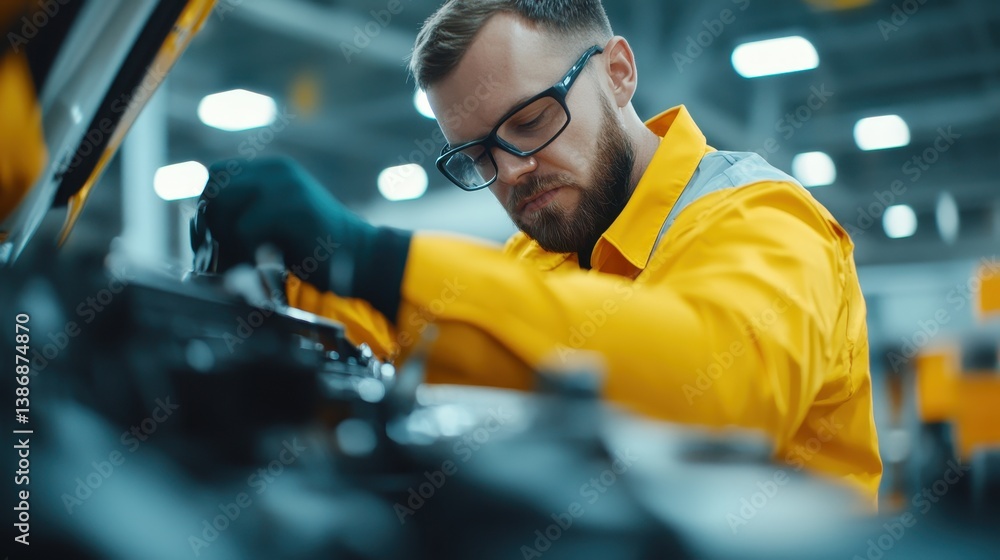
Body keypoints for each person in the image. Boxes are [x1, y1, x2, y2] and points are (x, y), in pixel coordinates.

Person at [196, 0, 882, 504]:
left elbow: (716, 385)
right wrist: (287, 283)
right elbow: (414, 342)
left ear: (618, 73)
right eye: (477, 154)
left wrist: (370, 256)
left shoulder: (764, 218)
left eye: (529, 121)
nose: (513, 170)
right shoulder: (549, 258)